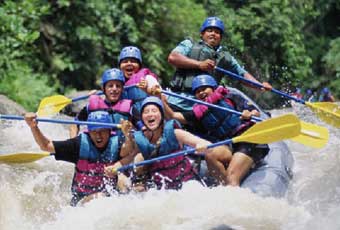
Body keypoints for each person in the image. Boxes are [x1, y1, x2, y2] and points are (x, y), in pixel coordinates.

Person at [158, 74, 269, 186]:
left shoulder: (230, 97)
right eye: (197, 91)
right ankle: (225, 186)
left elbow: (256, 112)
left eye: (204, 89)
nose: (201, 93)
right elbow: (173, 116)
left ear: (213, 88)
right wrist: (160, 98)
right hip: (230, 146)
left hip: (248, 139)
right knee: (210, 153)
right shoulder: (198, 113)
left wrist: (249, 113)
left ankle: (232, 183)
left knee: (232, 177)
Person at [105, 96, 232, 190]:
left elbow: (199, 142)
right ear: (142, 118)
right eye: (146, 112)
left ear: (161, 115)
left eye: (154, 111)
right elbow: (127, 158)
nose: (150, 114)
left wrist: (201, 145)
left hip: (187, 183)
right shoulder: (140, 139)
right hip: (162, 190)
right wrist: (115, 167)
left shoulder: (174, 132)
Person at [25, 111, 131, 206]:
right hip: (81, 201)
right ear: (89, 132)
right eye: (94, 131)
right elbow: (46, 146)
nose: (98, 135)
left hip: (110, 196)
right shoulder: (78, 144)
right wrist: (33, 127)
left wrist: (128, 135)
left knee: (125, 183)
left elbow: (131, 151)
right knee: (101, 197)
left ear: (109, 131)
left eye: (102, 131)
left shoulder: (117, 143)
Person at [167, 16, 272, 111]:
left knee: (233, 95)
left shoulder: (226, 57)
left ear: (220, 37)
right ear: (202, 34)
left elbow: (241, 74)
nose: (213, 34)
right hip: (181, 99)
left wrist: (260, 86)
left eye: (217, 32)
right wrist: (199, 64)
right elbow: (173, 57)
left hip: (208, 103)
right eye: (209, 31)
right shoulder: (188, 44)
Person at [69, 68, 135, 138]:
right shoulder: (93, 106)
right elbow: (74, 124)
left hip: (121, 146)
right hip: (99, 144)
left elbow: (142, 128)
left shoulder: (129, 108)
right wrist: (73, 142)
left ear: (122, 89)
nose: (114, 89)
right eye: (110, 86)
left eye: (118, 86)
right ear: (103, 89)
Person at [118, 46, 161, 113]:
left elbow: (159, 98)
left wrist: (147, 89)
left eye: (133, 61)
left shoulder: (148, 78)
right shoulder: (116, 84)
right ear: (120, 66)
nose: (129, 63)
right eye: (125, 62)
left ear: (139, 66)